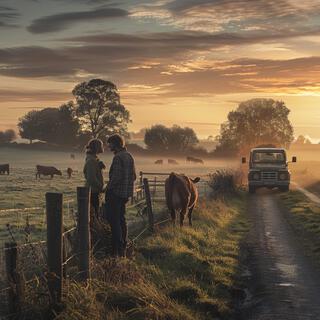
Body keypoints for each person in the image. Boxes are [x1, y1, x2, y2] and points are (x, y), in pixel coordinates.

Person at [104, 134, 136, 257]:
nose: (108, 146)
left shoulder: (118, 157)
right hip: (125, 194)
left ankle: (117, 248)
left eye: (110, 143)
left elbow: (116, 177)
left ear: (115, 144)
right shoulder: (129, 156)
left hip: (115, 194)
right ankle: (123, 245)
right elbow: (133, 176)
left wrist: (107, 188)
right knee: (121, 219)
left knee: (114, 220)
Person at [83, 139, 105, 220]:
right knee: (94, 215)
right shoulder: (91, 160)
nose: (103, 147)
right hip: (92, 192)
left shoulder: (94, 159)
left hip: (94, 191)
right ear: (97, 147)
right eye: (101, 146)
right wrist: (101, 187)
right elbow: (91, 178)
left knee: (95, 213)